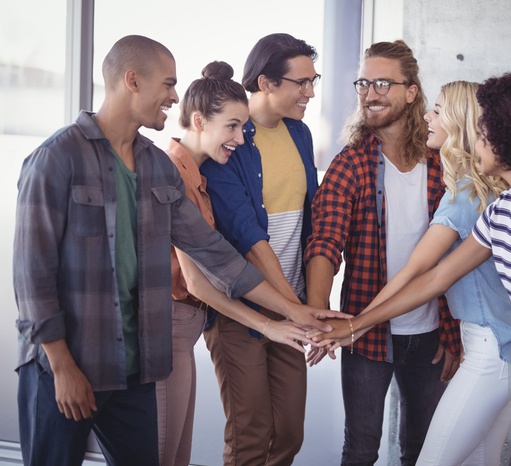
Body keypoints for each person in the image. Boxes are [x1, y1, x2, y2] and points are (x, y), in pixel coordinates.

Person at [12, 35, 332, 466]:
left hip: (137, 367)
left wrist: (294, 312)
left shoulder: (155, 165)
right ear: (132, 81)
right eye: (167, 84)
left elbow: (215, 254)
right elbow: (32, 275)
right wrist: (61, 364)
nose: (175, 96)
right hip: (68, 365)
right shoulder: (56, 158)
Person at [315, 73, 511, 466]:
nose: (477, 142)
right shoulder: (500, 213)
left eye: (484, 135)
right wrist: (355, 325)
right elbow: (436, 277)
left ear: (510, 140)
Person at [310, 81, 511, 466]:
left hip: (490, 352)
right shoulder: (492, 189)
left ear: (459, 123)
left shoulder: (465, 195)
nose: (428, 118)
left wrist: (357, 325)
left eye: (437, 110)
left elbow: (424, 273)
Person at [157, 61, 331, 466]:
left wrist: (293, 309)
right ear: (199, 121)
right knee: (210, 443)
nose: (241, 137)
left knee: (283, 433)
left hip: (209, 316)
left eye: (243, 127)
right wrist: (279, 317)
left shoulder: (199, 172)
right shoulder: (173, 172)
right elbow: (204, 280)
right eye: (233, 127)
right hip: (183, 320)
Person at [303, 40, 462, 466]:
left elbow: (458, 259)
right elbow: (325, 242)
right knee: (360, 450)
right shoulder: (351, 162)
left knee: (424, 451)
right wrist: (318, 314)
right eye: (363, 83)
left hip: (432, 334)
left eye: (382, 83)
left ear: (411, 91)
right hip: (365, 333)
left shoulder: (442, 164)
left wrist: (452, 333)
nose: (369, 93)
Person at [199, 33, 324, 466]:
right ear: (267, 82)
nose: (310, 92)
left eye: (314, 80)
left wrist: (305, 302)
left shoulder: (300, 134)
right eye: (301, 82)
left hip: (292, 299)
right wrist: (294, 308)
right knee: (251, 435)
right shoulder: (230, 139)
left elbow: (312, 219)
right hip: (244, 306)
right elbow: (249, 237)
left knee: (289, 432)